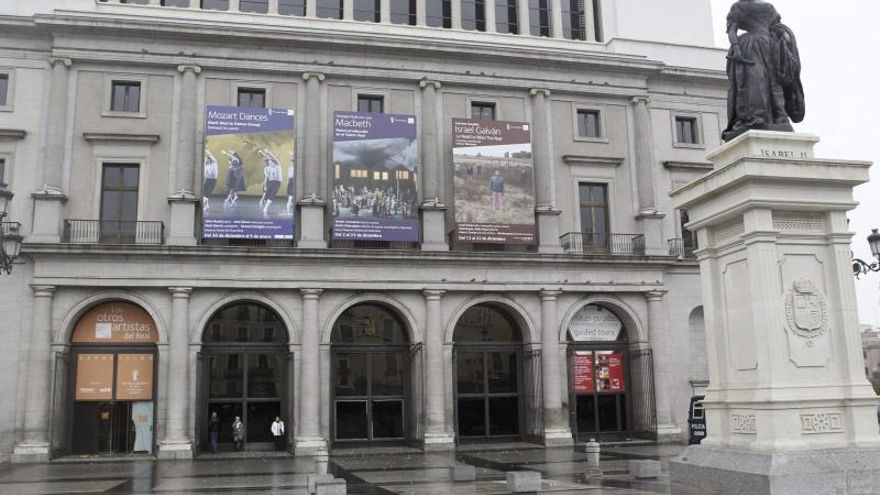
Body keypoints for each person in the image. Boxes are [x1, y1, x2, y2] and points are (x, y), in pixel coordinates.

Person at [722, 0, 804, 141]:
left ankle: (780, 117)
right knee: (756, 81)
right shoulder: (739, 7)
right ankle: (756, 117)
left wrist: (784, 36)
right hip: (752, 47)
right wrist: (735, 46)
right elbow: (732, 30)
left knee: (775, 82)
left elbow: (776, 26)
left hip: (771, 47)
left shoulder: (768, 7)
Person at [257, 149, 282, 217]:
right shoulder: (269, 167)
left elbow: (274, 158)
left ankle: (266, 208)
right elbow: (266, 158)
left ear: (273, 162)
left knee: (271, 196)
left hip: (277, 182)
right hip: (271, 181)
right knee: (266, 195)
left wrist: (269, 152)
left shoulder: (278, 165)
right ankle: (264, 203)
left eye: (271, 162)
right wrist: (261, 153)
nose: (269, 163)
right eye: (269, 162)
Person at [286, 151, 295, 216]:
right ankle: (289, 202)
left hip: (292, 179)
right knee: (290, 192)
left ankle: (289, 202)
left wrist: (291, 154)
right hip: (291, 179)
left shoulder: (292, 167)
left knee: (291, 192)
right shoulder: (290, 167)